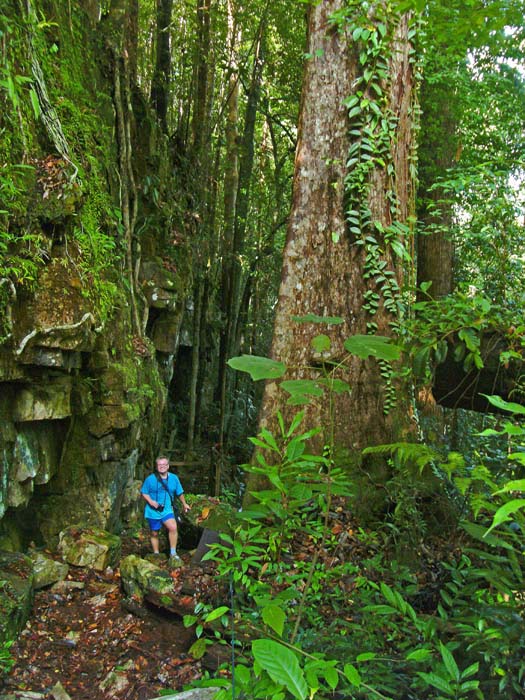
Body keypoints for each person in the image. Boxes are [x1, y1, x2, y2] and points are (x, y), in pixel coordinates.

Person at [141, 456, 191, 563]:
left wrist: (184, 504)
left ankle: (173, 553)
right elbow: (144, 492)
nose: (162, 467)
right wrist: (151, 502)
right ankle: (156, 554)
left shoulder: (174, 478)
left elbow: (179, 492)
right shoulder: (150, 479)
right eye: (160, 465)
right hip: (153, 511)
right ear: (157, 466)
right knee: (154, 533)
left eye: (164, 465)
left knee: (173, 527)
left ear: (168, 466)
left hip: (167, 509)